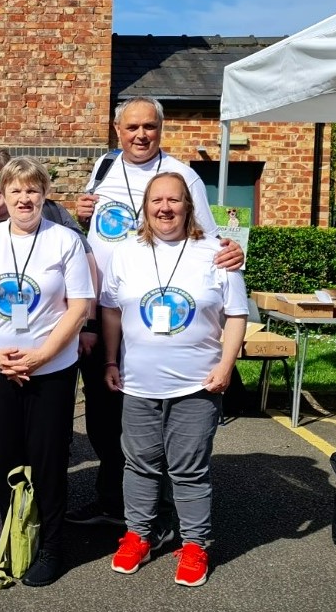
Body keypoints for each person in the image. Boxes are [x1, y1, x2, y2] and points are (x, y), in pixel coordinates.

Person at [71, 97, 243, 526]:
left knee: (167, 418)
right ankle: (116, 501)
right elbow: (96, 236)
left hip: (165, 313)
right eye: (132, 128)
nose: (140, 135)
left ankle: (164, 509)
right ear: (117, 129)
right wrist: (81, 213)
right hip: (107, 310)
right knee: (104, 416)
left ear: (160, 129)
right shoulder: (104, 168)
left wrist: (233, 252)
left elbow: (211, 238)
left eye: (149, 126)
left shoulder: (183, 175)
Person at [100, 172, 248, 587]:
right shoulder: (126, 253)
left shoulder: (217, 253)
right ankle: (137, 535)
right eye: (157, 201)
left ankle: (195, 544)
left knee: (189, 468)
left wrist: (226, 366)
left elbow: (236, 315)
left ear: (188, 206)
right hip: (137, 382)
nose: (165, 208)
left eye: (174, 200)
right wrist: (110, 360)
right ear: (145, 208)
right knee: (140, 464)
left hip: (196, 383)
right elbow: (110, 309)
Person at [0, 156, 94, 587]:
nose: (23, 198)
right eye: (15, 190)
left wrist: (40, 356)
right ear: (5, 193)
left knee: (48, 459)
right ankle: (16, 538)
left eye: (32, 190)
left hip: (50, 369)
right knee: (6, 458)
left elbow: (79, 306)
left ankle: (51, 546)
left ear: (45, 194)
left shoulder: (65, 241)